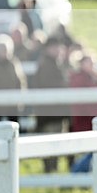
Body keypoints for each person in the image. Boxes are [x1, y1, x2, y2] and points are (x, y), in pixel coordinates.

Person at [31, 36, 71, 172]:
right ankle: (50, 171)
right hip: (50, 113)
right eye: (55, 47)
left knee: (54, 142)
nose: (58, 50)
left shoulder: (54, 64)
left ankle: (52, 171)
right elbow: (50, 86)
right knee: (52, 143)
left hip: (53, 112)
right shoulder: (47, 65)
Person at [69, 49, 97, 172]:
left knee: (94, 152)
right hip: (86, 121)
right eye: (89, 62)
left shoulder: (94, 78)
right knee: (88, 152)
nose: (92, 65)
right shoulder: (79, 79)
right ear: (82, 64)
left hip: (96, 120)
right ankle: (75, 176)